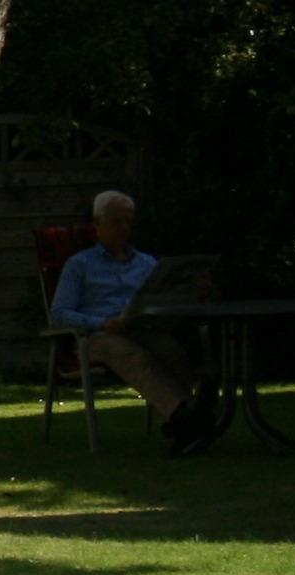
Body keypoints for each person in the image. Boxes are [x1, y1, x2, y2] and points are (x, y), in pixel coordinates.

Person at [50, 191, 217, 453]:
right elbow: (59, 313)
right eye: (117, 221)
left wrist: (196, 293)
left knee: (170, 350)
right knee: (132, 355)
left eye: (128, 221)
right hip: (95, 337)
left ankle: (185, 420)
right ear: (98, 224)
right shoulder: (79, 265)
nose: (124, 228)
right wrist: (101, 322)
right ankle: (186, 417)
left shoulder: (147, 264)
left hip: (140, 329)